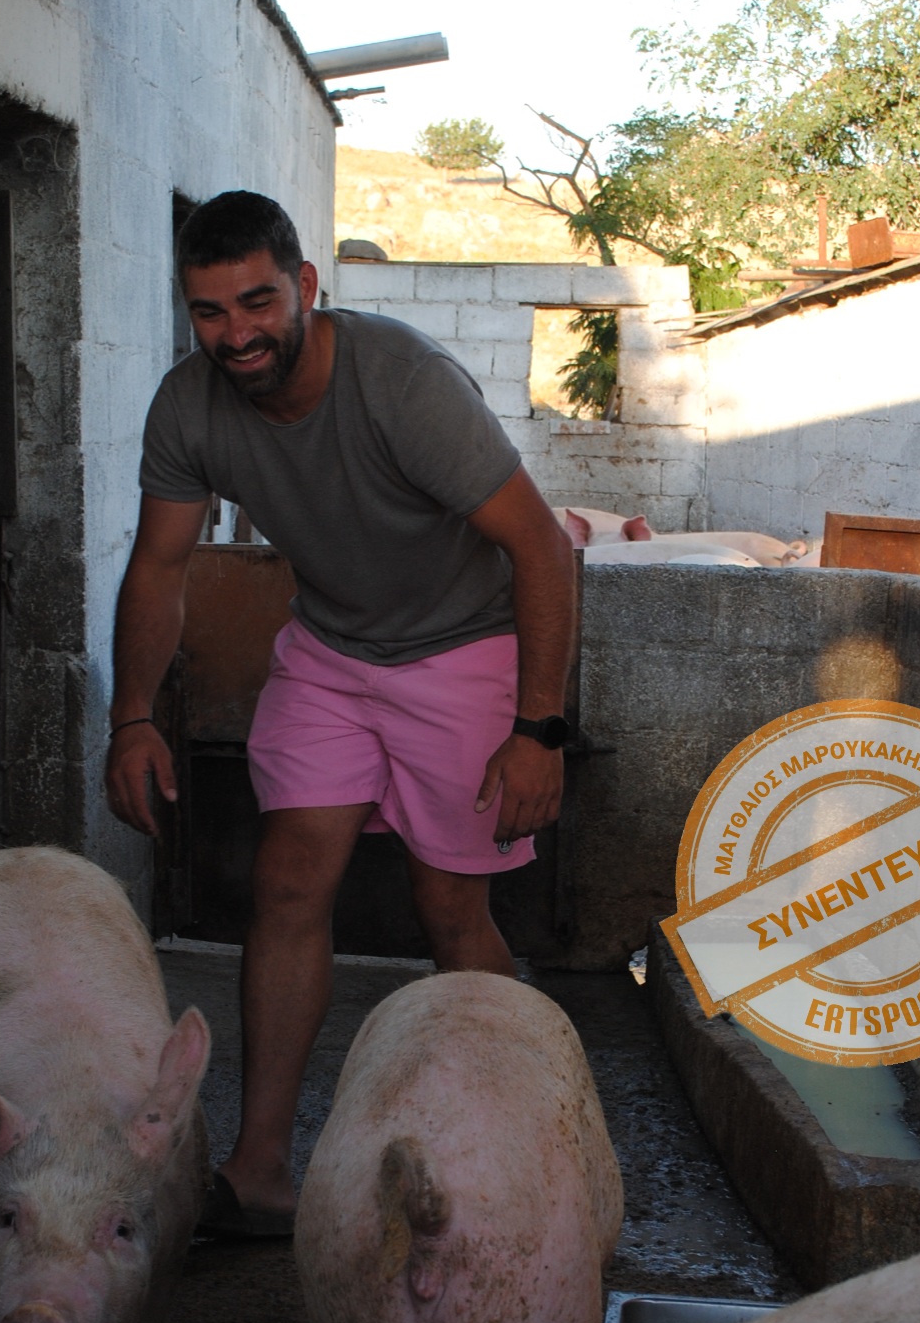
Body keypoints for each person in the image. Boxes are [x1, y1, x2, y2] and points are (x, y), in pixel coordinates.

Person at [105, 189, 574, 1236]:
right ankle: (261, 1166)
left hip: (461, 646)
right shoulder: (188, 406)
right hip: (330, 648)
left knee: (450, 908)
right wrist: (130, 714)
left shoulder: (401, 382)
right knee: (284, 880)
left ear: (305, 286)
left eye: (257, 302)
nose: (237, 333)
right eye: (210, 311)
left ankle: (532, 1153)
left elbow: (540, 546)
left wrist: (537, 728)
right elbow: (161, 565)